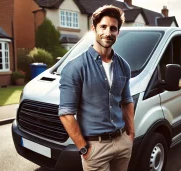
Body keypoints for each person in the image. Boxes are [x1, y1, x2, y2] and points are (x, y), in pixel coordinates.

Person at [58, 5, 135, 171]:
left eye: (113, 28)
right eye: (103, 27)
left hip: (122, 142)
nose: (108, 33)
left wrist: (131, 135)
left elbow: (127, 101)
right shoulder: (75, 67)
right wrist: (84, 148)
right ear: (94, 29)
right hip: (95, 148)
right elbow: (66, 113)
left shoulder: (124, 66)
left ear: (118, 33)